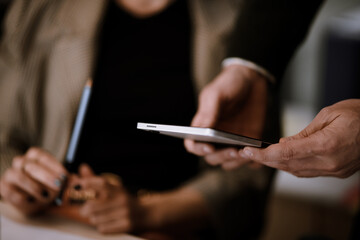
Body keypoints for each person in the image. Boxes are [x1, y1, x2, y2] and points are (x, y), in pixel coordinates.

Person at [0, 0, 323, 239]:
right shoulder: (35, 12)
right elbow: (4, 142)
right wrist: (19, 182)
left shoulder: (250, 26)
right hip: (56, 225)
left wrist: (145, 213)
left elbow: (247, 179)